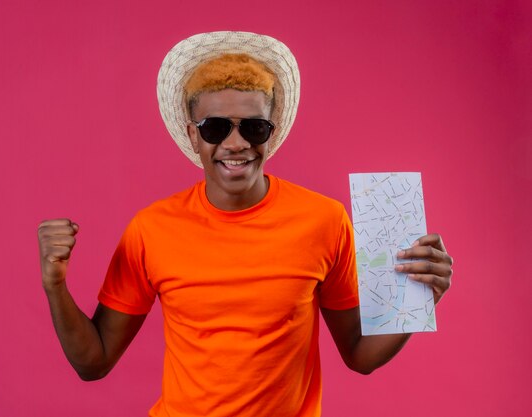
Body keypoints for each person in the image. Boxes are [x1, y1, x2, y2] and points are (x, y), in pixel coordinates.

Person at [37, 31, 453, 417]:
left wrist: (419, 299)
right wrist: (55, 285)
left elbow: (360, 356)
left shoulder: (325, 220)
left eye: (253, 127)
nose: (236, 144)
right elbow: (94, 362)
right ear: (192, 134)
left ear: (271, 132)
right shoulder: (151, 229)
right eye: (216, 127)